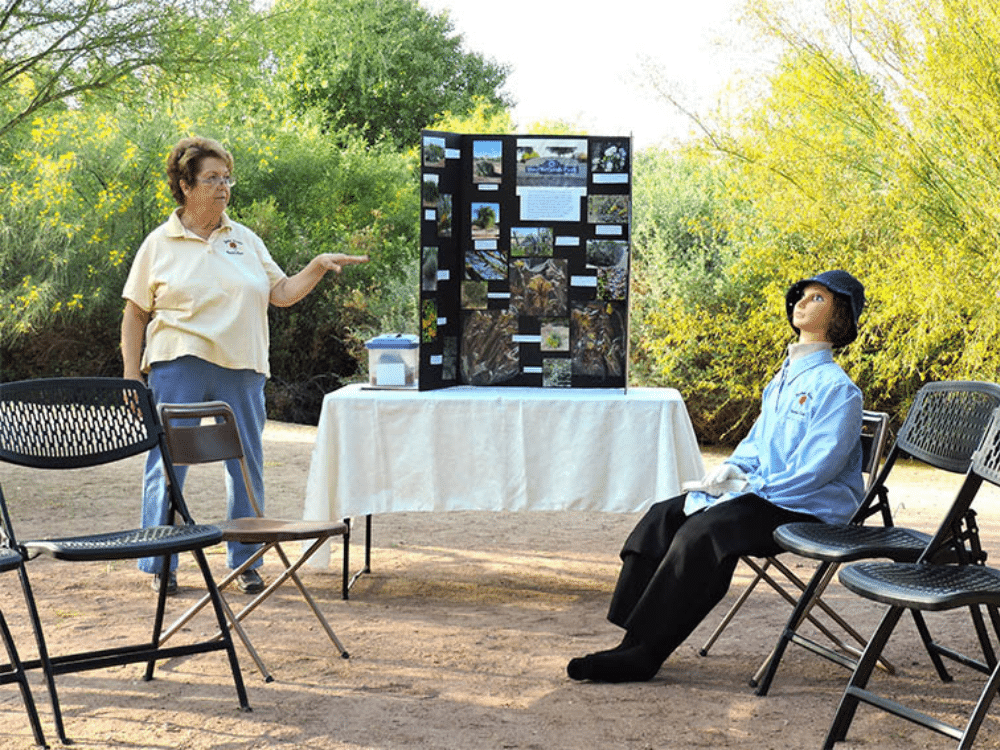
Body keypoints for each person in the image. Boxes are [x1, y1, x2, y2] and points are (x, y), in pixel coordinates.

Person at [566, 270, 866, 683]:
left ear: (841, 317)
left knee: (703, 534)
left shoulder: (839, 390)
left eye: (818, 299)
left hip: (805, 506)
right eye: (801, 294)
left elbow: (817, 470)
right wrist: (734, 471)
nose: (801, 301)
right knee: (664, 515)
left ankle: (645, 653)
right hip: (763, 493)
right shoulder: (784, 378)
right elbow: (758, 442)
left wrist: (750, 489)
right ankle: (632, 636)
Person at [121, 136, 368, 595]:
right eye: (211, 178)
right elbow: (135, 314)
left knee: (245, 465)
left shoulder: (245, 239)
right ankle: (161, 566)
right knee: (169, 466)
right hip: (180, 363)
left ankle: (246, 562)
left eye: (226, 178)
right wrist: (132, 378)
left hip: (243, 367)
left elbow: (281, 293)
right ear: (184, 184)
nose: (223, 187)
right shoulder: (159, 243)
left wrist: (315, 266)